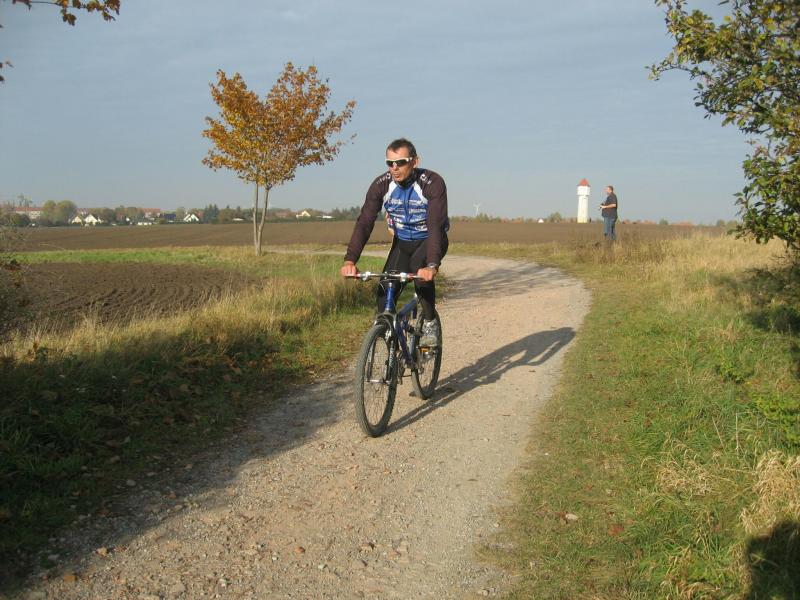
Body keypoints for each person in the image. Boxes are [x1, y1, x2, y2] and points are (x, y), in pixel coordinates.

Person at [341, 138, 449, 347]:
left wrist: (432, 265)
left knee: (419, 272)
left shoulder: (432, 182)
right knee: (384, 292)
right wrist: (350, 260)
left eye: (400, 162)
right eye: (389, 163)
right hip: (402, 242)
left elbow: (435, 225)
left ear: (414, 161)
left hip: (429, 240)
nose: (394, 168)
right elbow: (365, 222)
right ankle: (394, 350)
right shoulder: (381, 185)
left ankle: (430, 322)